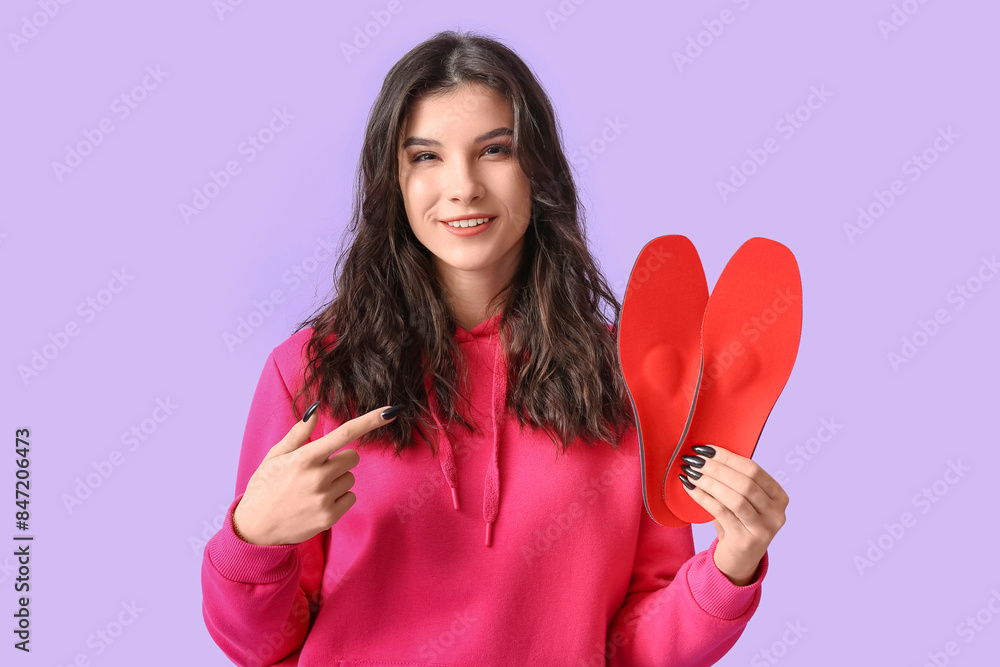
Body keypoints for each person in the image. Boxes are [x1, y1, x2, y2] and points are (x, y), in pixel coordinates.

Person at [200, 29, 788, 667]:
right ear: (391, 179)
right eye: (425, 156)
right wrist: (252, 539)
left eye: (495, 151)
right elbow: (262, 647)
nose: (463, 187)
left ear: (539, 170)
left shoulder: (623, 379)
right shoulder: (310, 374)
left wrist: (731, 564)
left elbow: (634, 650)